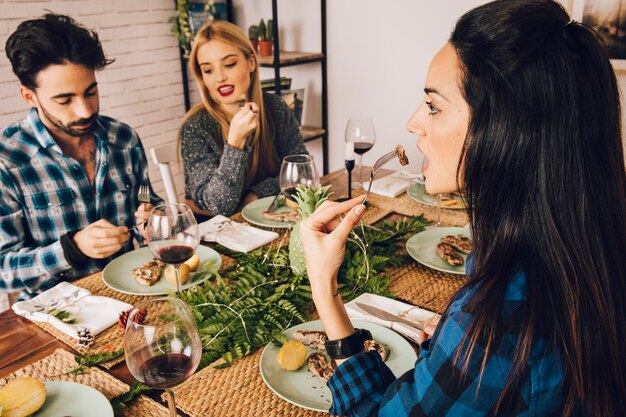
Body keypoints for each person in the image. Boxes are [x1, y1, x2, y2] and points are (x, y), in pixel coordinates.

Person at [300, 0, 626, 416]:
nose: (413, 122)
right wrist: (451, 349)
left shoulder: (502, 318)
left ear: (506, 128)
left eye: (433, 105)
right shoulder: (587, 243)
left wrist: (325, 292)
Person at [0, 13, 157, 300]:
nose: (85, 110)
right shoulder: (7, 161)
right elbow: (3, 271)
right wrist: (71, 248)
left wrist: (154, 218)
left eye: (91, 92)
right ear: (29, 96)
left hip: (132, 294)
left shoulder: (124, 139)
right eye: (64, 100)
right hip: (55, 312)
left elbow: (146, 199)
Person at [179, 20, 308, 216]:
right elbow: (218, 205)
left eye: (229, 64)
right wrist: (235, 144)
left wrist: (254, 195)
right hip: (216, 236)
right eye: (208, 70)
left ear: (251, 62)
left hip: (270, 221)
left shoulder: (275, 108)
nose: (220, 77)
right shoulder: (195, 126)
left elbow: (302, 172)